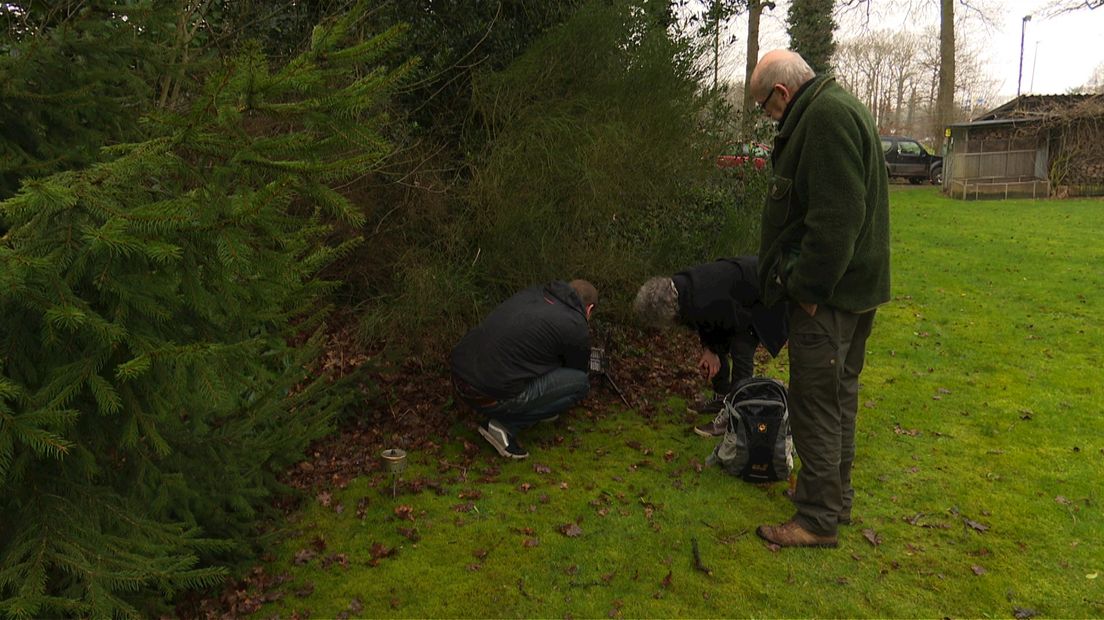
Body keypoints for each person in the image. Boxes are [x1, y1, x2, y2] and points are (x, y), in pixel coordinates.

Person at [749, 50, 891, 548]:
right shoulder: (833, 107)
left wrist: (806, 291)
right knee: (838, 400)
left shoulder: (825, 117)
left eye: (765, 106)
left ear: (782, 93)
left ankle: (815, 519)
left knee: (815, 405)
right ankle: (835, 502)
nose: (768, 116)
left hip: (828, 300)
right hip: (851, 293)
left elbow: (836, 221)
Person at [632, 256, 787, 437]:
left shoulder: (701, 297)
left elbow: (731, 321)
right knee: (716, 347)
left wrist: (714, 350)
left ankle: (736, 415)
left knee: (741, 348)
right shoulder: (682, 290)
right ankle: (722, 396)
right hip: (741, 299)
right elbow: (707, 323)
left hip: (766, 297)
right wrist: (709, 349)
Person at [451, 279, 598, 460]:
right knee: (580, 383)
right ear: (589, 309)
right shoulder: (575, 323)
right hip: (488, 394)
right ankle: (505, 426)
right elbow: (577, 369)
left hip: (460, 376)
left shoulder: (535, 293)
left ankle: (529, 409)